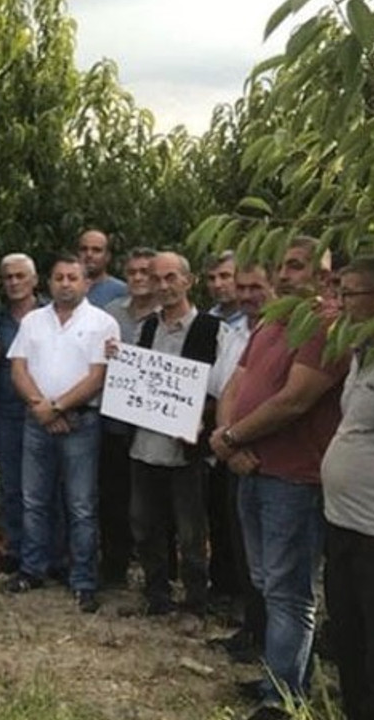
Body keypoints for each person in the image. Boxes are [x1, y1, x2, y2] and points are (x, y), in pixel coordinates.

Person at [211, 237, 348, 716]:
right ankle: (284, 676)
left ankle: (282, 699)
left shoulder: (326, 326)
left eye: (297, 266)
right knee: (267, 581)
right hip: (250, 467)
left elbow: (294, 400)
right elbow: (237, 382)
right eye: (282, 265)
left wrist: (231, 439)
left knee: (290, 592)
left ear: (325, 277)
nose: (286, 274)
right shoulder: (271, 321)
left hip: (294, 477)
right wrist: (228, 439)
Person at [5, 253, 120, 614]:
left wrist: (58, 408)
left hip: (81, 424)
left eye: (73, 277)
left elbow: (97, 376)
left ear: (86, 283)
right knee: (34, 500)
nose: (66, 283)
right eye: (59, 277)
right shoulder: (33, 321)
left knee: (81, 505)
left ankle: (83, 580)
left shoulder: (103, 323)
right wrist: (42, 407)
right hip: (37, 420)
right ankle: (32, 569)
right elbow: (19, 369)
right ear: (48, 282)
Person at [121, 252, 223, 616]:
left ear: (188, 281)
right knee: (145, 525)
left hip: (186, 450)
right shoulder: (145, 328)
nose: (163, 286)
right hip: (144, 445)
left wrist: (202, 420)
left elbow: (222, 390)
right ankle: (156, 595)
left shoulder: (212, 330)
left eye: (170, 278)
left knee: (192, 532)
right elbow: (133, 383)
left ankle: (195, 601)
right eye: (156, 278)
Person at [320, 256, 374, 720]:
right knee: (348, 638)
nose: (339, 303)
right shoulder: (362, 351)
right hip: (342, 523)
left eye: (349, 294)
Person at [209, 263, 275, 664]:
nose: (247, 294)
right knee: (247, 552)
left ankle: (273, 645)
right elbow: (228, 390)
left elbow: (284, 401)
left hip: (264, 458)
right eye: (243, 286)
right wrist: (228, 444)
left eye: (256, 287)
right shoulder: (236, 332)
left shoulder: (283, 334)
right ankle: (252, 629)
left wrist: (236, 442)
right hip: (234, 453)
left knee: (273, 566)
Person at [0, 253, 62, 574]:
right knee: (11, 484)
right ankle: (17, 547)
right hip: (7, 409)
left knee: (52, 485)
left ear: (35, 280)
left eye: (21, 276)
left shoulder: (54, 314)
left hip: (48, 409)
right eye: (8, 277)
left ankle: (56, 554)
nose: (14, 283)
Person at [98, 247, 158, 586]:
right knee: (113, 497)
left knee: (153, 506)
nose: (138, 278)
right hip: (115, 422)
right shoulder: (110, 314)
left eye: (145, 272)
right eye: (132, 272)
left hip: (155, 426)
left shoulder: (168, 315)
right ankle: (113, 568)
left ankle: (161, 574)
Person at [204, 249, 251, 600]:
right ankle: (223, 590)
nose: (219, 284)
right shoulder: (209, 321)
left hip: (248, 433)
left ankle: (244, 598)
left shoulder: (258, 325)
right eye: (213, 278)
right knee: (219, 514)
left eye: (226, 276)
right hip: (215, 426)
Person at [78, 229, 128, 308]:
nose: (89, 254)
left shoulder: (122, 291)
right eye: (84, 249)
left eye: (96, 250)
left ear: (108, 256)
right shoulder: (65, 287)